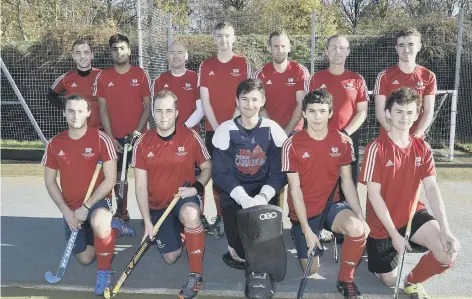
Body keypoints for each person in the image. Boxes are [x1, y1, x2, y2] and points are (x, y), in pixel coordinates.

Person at [360, 87, 459, 299]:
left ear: (416, 115)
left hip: (412, 214)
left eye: (410, 112)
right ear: (387, 113)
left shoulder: (422, 147)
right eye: (399, 111)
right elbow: (373, 196)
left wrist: (445, 229)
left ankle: (412, 281)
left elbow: (432, 188)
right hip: (382, 224)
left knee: (447, 252)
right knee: (389, 281)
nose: (404, 117)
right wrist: (394, 235)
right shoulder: (376, 148)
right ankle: (378, 251)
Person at [41, 95, 135, 295]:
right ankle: (114, 230)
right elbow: (50, 181)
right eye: (71, 111)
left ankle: (104, 273)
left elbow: (110, 180)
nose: (75, 116)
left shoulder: (102, 140)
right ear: (64, 112)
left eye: (80, 111)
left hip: (97, 203)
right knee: (85, 258)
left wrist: (86, 207)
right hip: (71, 208)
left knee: (100, 222)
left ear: (89, 113)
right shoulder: (55, 143)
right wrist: (66, 211)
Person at [281, 89, 369, 299]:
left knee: (357, 229)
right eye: (312, 111)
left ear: (330, 113)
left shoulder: (343, 141)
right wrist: (307, 231)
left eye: (322, 111)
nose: (317, 117)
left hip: (332, 206)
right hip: (304, 212)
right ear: (303, 113)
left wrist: (360, 215)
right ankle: (302, 234)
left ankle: (346, 279)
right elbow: (295, 190)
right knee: (310, 270)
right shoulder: (291, 144)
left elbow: (347, 182)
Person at [131, 90, 211, 299]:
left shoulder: (190, 136)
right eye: (158, 111)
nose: (163, 116)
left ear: (176, 113)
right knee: (171, 257)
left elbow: (207, 167)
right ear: (153, 113)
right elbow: (140, 186)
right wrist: (147, 222)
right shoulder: (143, 142)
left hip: (183, 197)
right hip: (158, 206)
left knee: (191, 214)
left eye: (168, 111)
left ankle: (196, 275)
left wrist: (196, 188)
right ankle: (185, 233)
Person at [212, 79, 287, 275]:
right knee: (241, 251)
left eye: (255, 99)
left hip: (263, 193)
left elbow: (280, 172)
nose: (249, 105)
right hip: (235, 194)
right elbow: (220, 174)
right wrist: (243, 199)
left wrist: (262, 197)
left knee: (262, 247)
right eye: (244, 99)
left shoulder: (273, 129)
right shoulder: (225, 130)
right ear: (237, 101)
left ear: (263, 101)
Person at [198, 21, 251, 236]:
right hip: (215, 130)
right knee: (219, 175)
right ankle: (220, 217)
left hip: (239, 128)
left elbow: (246, 96)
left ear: (234, 38)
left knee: (241, 173)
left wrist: (230, 125)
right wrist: (219, 128)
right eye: (219, 36)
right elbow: (205, 100)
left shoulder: (243, 63)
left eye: (227, 36)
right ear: (214, 38)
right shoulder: (205, 65)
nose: (223, 40)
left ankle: (241, 215)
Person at [94, 34, 152, 222]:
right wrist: (110, 138)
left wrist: (137, 132)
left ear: (129, 50)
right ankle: (122, 212)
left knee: (149, 176)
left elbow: (148, 106)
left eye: (122, 48)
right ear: (110, 52)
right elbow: (102, 110)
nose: (119, 52)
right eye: (115, 49)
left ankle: (154, 213)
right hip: (116, 137)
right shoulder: (103, 76)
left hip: (140, 137)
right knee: (119, 177)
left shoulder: (140, 74)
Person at [152, 41, 209, 230]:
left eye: (180, 52)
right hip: (166, 137)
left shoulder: (196, 77)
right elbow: (157, 109)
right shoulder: (159, 80)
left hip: (189, 135)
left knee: (197, 175)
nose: (176, 56)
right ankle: (170, 212)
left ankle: (198, 215)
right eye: (172, 52)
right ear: (167, 56)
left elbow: (201, 108)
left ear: (186, 56)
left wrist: (183, 127)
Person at [309, 34, 368, 192]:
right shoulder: (315, 79)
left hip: (348, 139)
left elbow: (362, 112)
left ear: (348, 51)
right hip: (321, 138)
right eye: (333, 48)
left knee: (348, 189)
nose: (337, 51)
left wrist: (345, 133)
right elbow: (308, 110)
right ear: (326, 51)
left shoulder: (357, 79)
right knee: (321, 188)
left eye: (342, 48)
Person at [374, 28, 436, 139]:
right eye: (402, 45)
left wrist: (416, 136)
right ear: (396, 49)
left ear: (419, 47)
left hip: (416, 139)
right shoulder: (384, 76)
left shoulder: (429, 76)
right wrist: (397, 136)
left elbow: (428, 111)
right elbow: (380, 113)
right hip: (390, 138)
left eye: (411, 44)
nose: (406, 49)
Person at [253, 30, 309, 135]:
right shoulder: (260, 74)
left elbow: (301, 103)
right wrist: (275, 130)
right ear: (269, 49)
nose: (280, 50)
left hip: (294, 130)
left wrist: (287, 131)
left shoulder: (300, 71)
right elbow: (259, 106)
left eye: (283, 46)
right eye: (275, 46)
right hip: (268, 130)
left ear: (289, 48)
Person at [48, 38, 102, 129]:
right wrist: (66, 107)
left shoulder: (103, 76)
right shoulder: (66, 78)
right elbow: (51, 95)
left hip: (101, 132)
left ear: (92, 55)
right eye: (78, 53)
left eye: (86, 52)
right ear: (73, 56)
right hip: (76, 131)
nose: (82, 56)